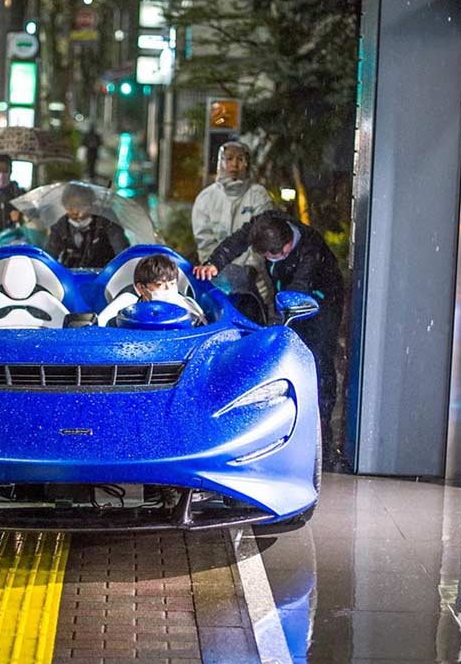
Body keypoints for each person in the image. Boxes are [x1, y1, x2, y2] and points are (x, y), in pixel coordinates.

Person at [193, 211, 344, 463]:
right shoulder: (265, 224)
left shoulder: (310, 250)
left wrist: (286, 313)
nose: (267, 259)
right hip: (288, 294)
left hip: (322, 298)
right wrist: (214, 263)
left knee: (318, 358)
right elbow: (238, 240)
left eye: (272, 256)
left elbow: (300, 286)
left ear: (287, 247)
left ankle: (322, 433)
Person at [191, 141, 274, 311]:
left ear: (247, 163)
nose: (234, 164)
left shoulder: (258, 195)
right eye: (228, 159)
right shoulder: (206, 198)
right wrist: (218, 269)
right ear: (220, 162)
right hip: (218, 280)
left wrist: (250, 269)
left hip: (256, 281)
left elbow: (262, 236)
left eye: (240, 159)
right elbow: (204, 242)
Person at [97, 254, 206, 327]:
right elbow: (101, 327)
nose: (168, 289)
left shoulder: (187, 307)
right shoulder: (125, 303)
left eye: (172, 283)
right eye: (160, 285)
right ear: (141, 288)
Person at [46, 182, 129, 269]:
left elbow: (121, 249)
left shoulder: (107, 221)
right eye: (70, 207)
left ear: (91, 204)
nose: (75, 212)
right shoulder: (61, 226)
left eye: (80, 206)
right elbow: (50, 254)